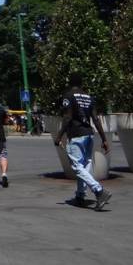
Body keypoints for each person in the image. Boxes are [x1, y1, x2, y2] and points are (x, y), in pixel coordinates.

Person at [53, 73, 112, 210]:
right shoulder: (88, 97)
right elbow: (95, 119)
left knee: (77, 166)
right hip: (89, 134)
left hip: (76, 134)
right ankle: (80, 195)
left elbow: (68, 117)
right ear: (81, 83)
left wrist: (59, 136)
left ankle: (99, 191)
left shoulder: (68, 96)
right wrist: (104, 139)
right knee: (84, 166)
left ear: (70, 83)